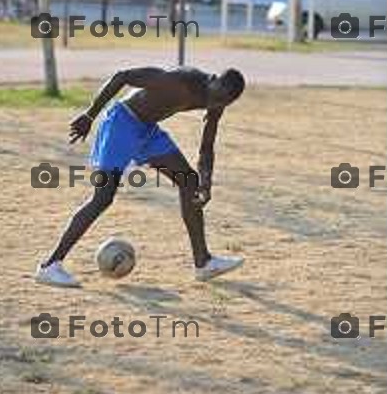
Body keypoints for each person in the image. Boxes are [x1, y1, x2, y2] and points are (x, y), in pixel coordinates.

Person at [35, 66, 246, 287]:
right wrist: (90, 115)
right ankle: (50, 266)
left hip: (147, 130)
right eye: (214, 97)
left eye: (221, 102)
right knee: (103, 197)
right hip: (121, 123)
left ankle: (203, 263)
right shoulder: (180, 79)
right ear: (212, 81)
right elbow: (122, 76)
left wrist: (207, 181)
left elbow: (206, 147)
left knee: (189, 181)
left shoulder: (217, 100)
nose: (214, 104)